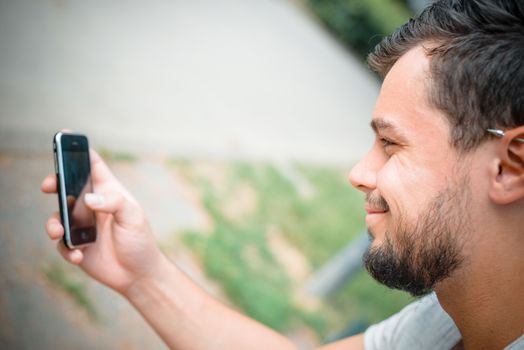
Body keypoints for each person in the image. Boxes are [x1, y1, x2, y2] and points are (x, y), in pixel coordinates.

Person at [41, 0, 524, 349]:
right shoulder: (449, 320)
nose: (359, 173)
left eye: (391, 144)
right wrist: (139, 273)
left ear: (509, 165)